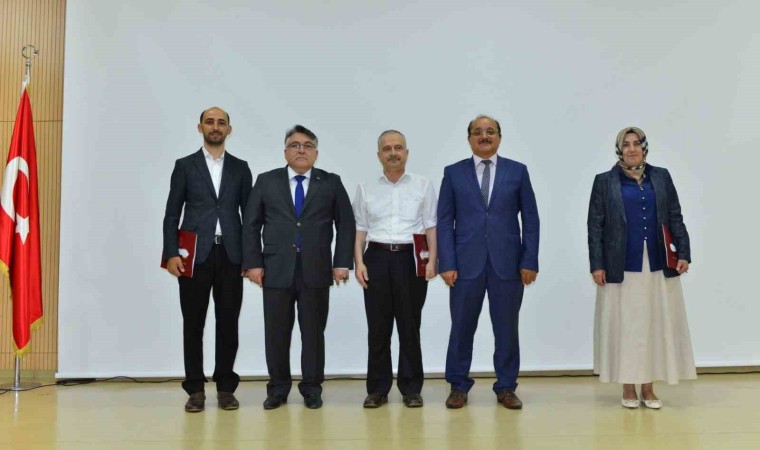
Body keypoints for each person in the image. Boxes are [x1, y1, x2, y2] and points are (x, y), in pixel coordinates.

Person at [242, 124, 355, 410]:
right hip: (275, 268)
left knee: (313, 333)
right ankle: (278, 388)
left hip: (316, 269)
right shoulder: (266, 181)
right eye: (295, 145)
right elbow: (251, 225)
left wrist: (342, 263)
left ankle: (312, 388)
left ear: (316, 153)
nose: (301, 150)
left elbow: (346, 225)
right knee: (276, 333)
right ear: (285, 152)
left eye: (307, 145)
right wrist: (253, 263)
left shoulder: (331, 182)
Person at [587, 126, 696, 409]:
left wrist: (683, 253)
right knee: (626, 326)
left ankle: (648, 388)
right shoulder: (604, 182)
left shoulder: (661, 176)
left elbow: (675, 216)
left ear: (644, 147)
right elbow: (595, 226)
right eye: (626, 144)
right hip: (620, 265)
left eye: (636, 143)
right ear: (619, 149)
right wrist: (597, 264)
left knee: (653, 324)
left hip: (657, 264)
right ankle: (628, 386)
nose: (632, 149)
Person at [437, 115, 539, 410]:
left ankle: (506, 386)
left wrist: (529, 259)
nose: (484, 136)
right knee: (461, 328)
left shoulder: (517, 171)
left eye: (490, 131)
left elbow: (530, 219)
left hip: (508, 265)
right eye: (478, 132)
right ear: (469, 138)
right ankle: (458, 385)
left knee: (507, 329)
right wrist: (447, 262)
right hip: (464, 265)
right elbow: (444, 221)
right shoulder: (453, 173)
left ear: (499, 137)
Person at [162, 107, 253, 412]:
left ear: (229, 129)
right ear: (200, 127)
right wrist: (171, 253)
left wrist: (250, 257)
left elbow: (250, 218)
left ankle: (226, 388)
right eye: (210, 122)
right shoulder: (184, 166)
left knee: (228, 322)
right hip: (193, 256)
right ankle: (195, 389)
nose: (216, 126)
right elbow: (172, 213)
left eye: (221, 123)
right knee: (193, 324)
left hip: (230, 255)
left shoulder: (241, 168)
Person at [352, 130, 438, 409]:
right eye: (387, 148)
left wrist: (433, 260)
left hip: (410, 259)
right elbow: (360, 229)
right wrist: (359, 262)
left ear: (406, 153)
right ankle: (377, 389)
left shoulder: (423, 185)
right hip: (376, 258)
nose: (393, 153)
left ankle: (411, 388)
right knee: (378, 328)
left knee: (409, 326)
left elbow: (431, 226)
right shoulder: (366, 188)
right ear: (379, 155)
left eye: (398, 148)